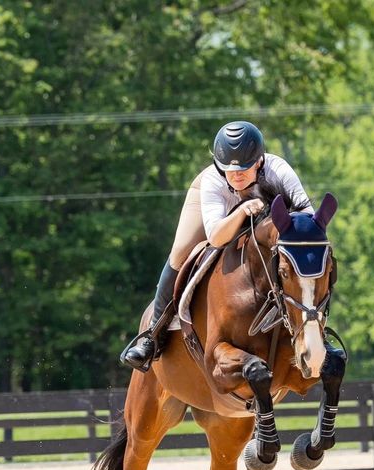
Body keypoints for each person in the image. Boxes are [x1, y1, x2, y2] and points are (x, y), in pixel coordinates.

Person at [122, 120, 325, 371]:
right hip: (217, 215)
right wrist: (241, 212)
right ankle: (154, 334)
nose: (237, 175)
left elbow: (306, 218)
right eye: (229, 169)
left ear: (260, 161)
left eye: (245, 168)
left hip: (264, 226)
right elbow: (216, 237)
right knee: (181, 251)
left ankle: (315, 328)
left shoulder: (278, 170)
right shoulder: (213, 180)